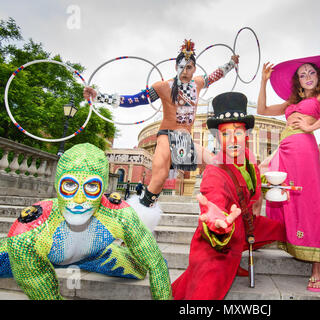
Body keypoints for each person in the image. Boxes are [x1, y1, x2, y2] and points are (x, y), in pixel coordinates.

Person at [0, 143, 172, 300]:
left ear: (103, 188)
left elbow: (156, 263)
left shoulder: (118, 214)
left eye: (91, 186)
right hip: (33, 254)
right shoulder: (32, 227)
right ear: (57, 184)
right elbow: (41, 287)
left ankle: (94, 252)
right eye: (69, 185)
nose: (80, 199)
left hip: (96, 255)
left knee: (138, 267)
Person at [84, 39, 239, 210]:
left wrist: (232, 63)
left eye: (189, 67)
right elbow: (134, 100)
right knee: (160, 177)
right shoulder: (163, 86)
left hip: (183, 141)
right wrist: (99, 97)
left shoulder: (198, 83)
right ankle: (142, 213)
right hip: (166, 136)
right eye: (181, 67)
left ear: (194, 68)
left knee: (216, 163)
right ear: (175, 67)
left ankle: (218, 206)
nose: (185, 71)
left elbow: (217, 74)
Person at [171, 92, 286, 300]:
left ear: (247, 135)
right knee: (201, 295)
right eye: (225, 134)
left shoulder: (251, 164)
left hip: (245, 227)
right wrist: (218, 222)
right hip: (216, 243)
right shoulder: (215, 171)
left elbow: (255, 202)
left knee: (284, 230)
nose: (232, 140)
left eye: (238, 132)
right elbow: (213, 197)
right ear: (218, 138)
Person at [257, 54, 320, 292]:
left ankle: (317, 268)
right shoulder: (290, 104)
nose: (307, 77)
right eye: (302, 74)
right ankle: (260, 233)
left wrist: (311, 126)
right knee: (261, 179)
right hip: (284, 148)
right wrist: (263, 81)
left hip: (302, 149)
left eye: (311, 72)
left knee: (308, 201)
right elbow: (262, 109)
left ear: (318, 75)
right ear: (297, 81)